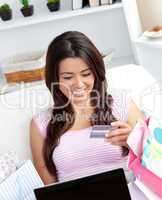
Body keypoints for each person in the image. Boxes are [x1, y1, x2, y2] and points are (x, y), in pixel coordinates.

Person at [30, 31, 144, 185]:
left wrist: (135, 141)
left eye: (86, 74)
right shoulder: (41, 124)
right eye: (68, 77)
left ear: (96, 73)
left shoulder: (121, 104)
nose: (79, 83)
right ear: (54, 78)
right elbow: (49, 189)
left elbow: (155, 156)